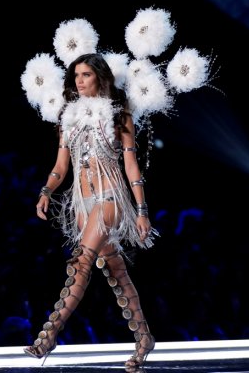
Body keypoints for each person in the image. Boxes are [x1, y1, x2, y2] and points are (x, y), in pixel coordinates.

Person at [23, 53, 158, 370]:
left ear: (101, 77)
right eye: (76, 76)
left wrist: (141, 210)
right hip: (81, 203)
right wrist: (46, 191)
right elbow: (61, 166)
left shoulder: (119, 116)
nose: (78, 81)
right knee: (115, 271)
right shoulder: (67, 117)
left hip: (110, 197)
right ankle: (144, 339)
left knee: (81, 261)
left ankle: (50, 333)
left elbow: (130, 165)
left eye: (85, 74)